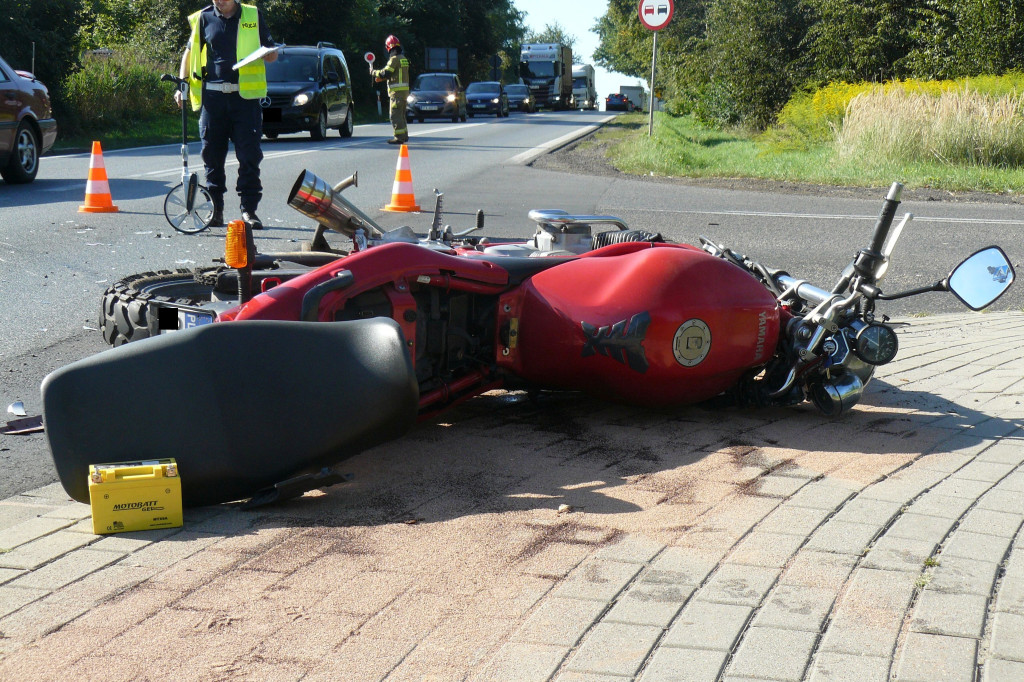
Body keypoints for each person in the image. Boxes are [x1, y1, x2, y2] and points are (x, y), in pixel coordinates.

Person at [174, 0, 277, 229]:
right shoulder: (203, 17)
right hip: (213, 100)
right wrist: (181, 85)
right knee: (212, 157)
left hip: (245, 100)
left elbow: (272, 53)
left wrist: (269, 54)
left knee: (249, 157)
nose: (220, 1)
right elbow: (189, 54)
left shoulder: (252, 15)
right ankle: (216, 210)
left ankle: (248, 211)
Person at [371, 35, 410, 144]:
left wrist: (373, 72)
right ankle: (404, 136)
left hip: (396, 94)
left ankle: (399, 137)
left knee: (395, 116)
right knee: (401, 116)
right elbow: (396, 75)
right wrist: (383, 79)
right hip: (404, 93)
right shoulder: (403, 59)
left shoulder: (394, 59)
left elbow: (385, 72)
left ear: (389, 47)